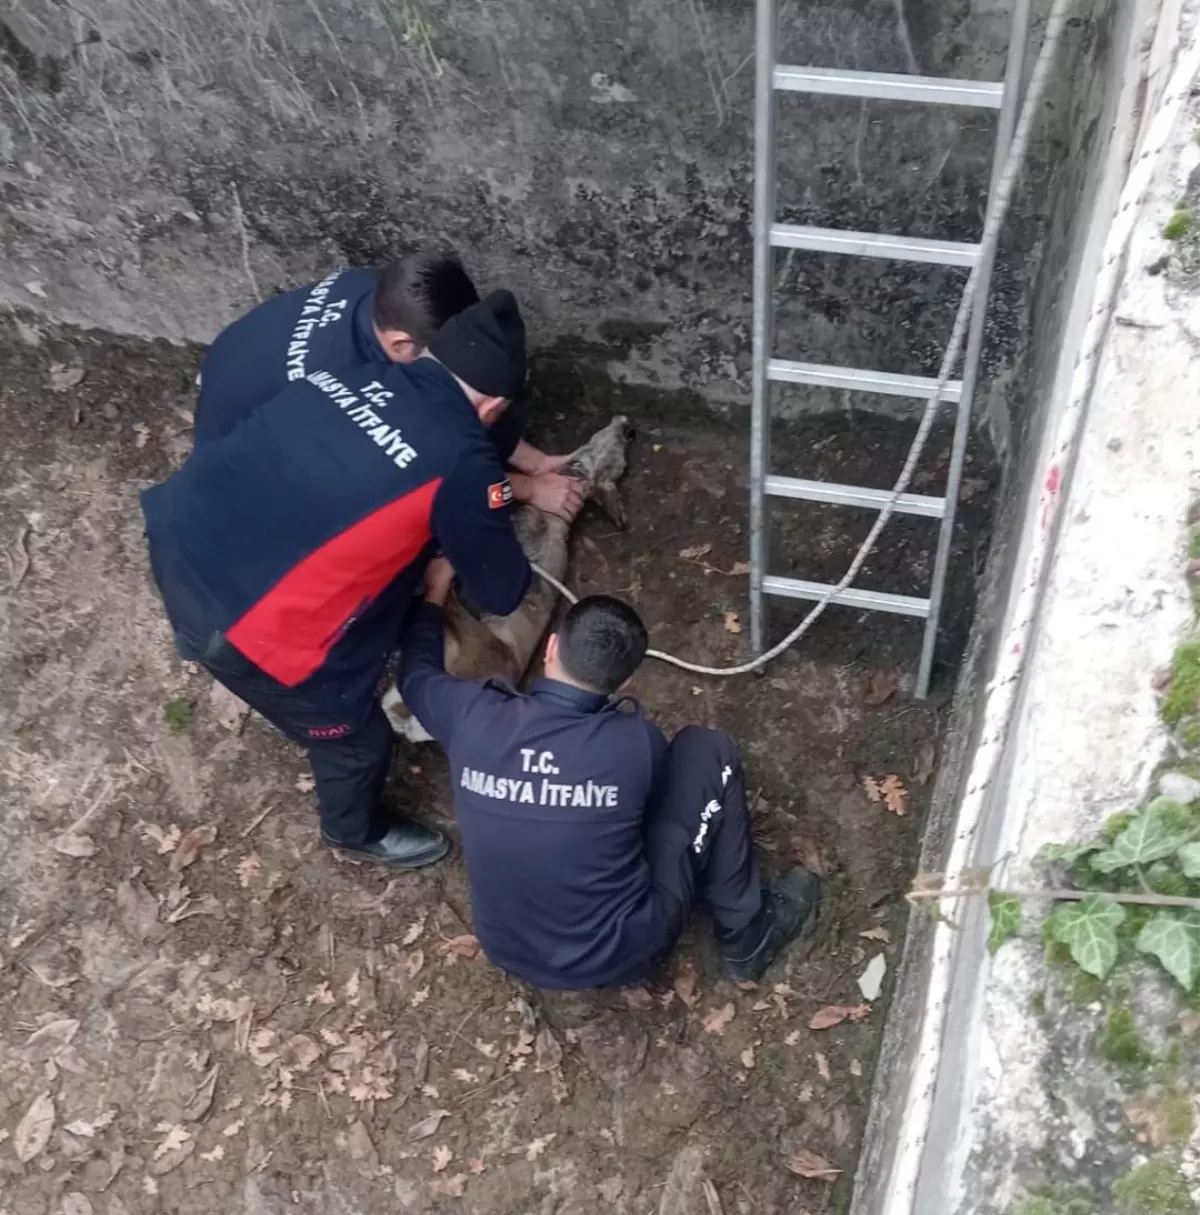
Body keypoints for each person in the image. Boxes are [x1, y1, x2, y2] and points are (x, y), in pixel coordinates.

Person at [142, 291, 541, 870]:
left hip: (178, 531)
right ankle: (353, 831)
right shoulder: (463, 465)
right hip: (235, 627)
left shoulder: (346, 372)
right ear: (492, 407)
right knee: (358, 742)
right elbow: (501, 591)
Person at [396, 564, 821, 986]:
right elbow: (652, 812)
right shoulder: (632, 744)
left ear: (550, 648)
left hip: (505, 947)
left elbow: (415, 677)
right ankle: (746, 934)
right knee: (710, 752)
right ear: (626, 682)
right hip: (616, 954)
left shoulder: (472, 715)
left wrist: (435, 592)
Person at [193, 252, 582, 521]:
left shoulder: (377, 291)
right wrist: (529, 491)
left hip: (235, 374)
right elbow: (456, 491)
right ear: (400, 345)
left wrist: (532, 461)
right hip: (243, 471)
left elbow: (466, 397)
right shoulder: (353, 390)